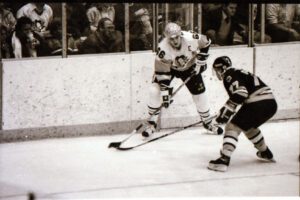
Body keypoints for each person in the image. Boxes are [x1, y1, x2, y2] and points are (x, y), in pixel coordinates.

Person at [141, 22, 223, 137]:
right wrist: (165, 93)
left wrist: (201, 62)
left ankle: (208, 122)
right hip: (170, 69)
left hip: (190, 67)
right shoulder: (163, 48)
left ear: (181, 34)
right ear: (167, 38)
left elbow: (207, 42)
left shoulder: (190, 38)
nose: (174, 41)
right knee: (154, 90)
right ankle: (151, 123)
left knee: (200, 94)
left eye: (177, 37)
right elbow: (162, 72)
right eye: (171, 39)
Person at [208, 56, 278, 172]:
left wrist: (224, 113)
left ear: (222, 68)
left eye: (217, 70)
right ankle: (265, 152)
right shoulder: (238, 72)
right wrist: (225, 111)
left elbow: (241, 93)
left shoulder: (229, 75)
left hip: (257, 102)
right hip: (271, 104)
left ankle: (224, 159)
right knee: (248, 127)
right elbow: (241, 96)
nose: (217, 73)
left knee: (232, 127)